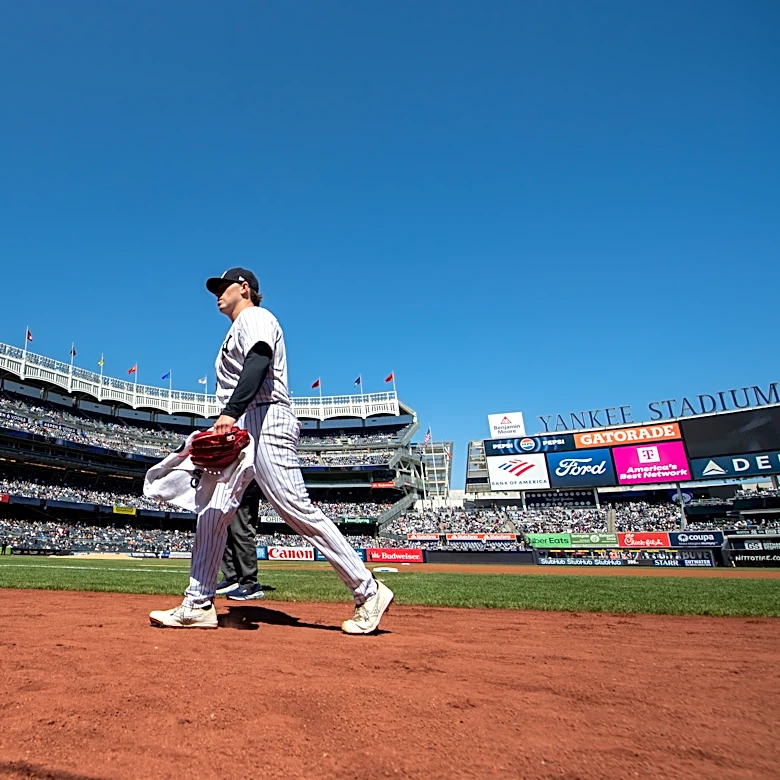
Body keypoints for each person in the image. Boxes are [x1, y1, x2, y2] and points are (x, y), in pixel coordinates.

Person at [149, 268, 393, 632]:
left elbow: (260, 360)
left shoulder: (255, 317)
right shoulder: (234, 328)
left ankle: (368, 590)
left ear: (244, 288)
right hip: (247, 423)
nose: (216, 293)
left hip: (266, 418)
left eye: (223, 286)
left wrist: (229, 413)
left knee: (293, 507)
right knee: (213, 512)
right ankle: (197, 603)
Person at [216, 480, 264, 600]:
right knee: (224, 532)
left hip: (245, 488)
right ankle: (231, 577)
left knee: (240, 532)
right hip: (226, 490)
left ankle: (250, 583)